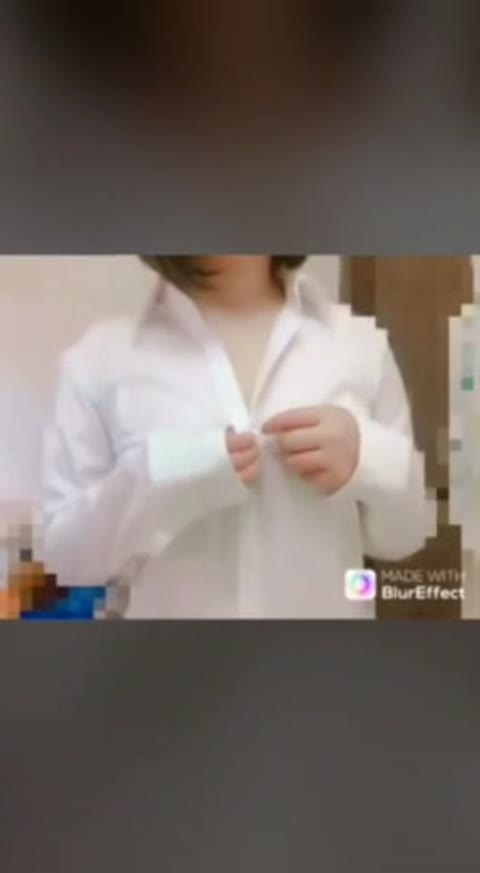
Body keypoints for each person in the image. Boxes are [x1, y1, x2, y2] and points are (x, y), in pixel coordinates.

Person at [43, 255, 427, 618]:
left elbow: (405, 536)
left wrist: (366, 459)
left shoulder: (359, 344)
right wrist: (153, 477)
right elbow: (67, 560)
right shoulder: (99, 360)